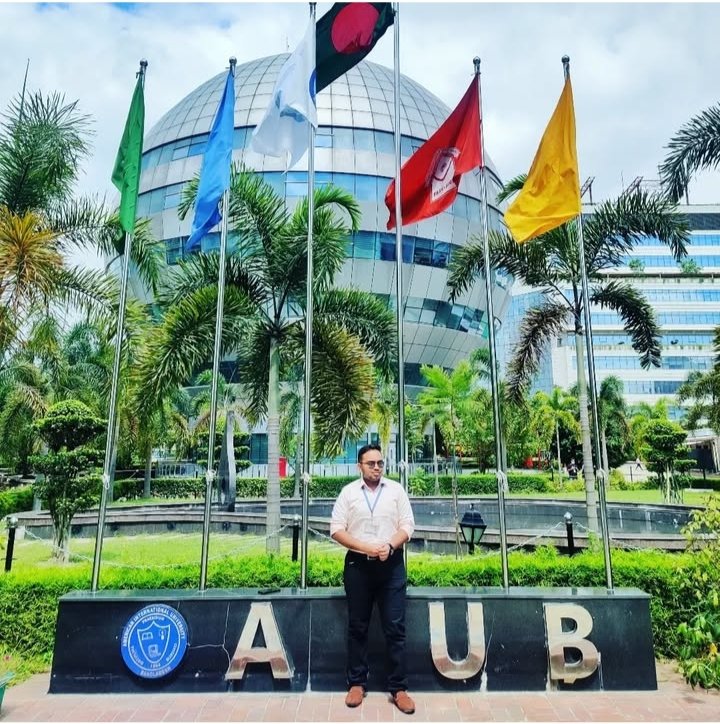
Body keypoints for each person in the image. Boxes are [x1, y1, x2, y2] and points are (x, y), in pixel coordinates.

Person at [330, 443, 416, 715]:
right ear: (359, 466)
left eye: (380, 463)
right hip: (358, 566)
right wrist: (366, 548)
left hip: (391, 566)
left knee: (395, 628)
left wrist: (390, 545)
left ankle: (398, 688)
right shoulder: (348, 493)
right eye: (371, 463)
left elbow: (408, 525)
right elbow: (336, 529)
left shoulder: (396, 490)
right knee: (358, 626)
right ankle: (356, 683)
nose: (377, 467)